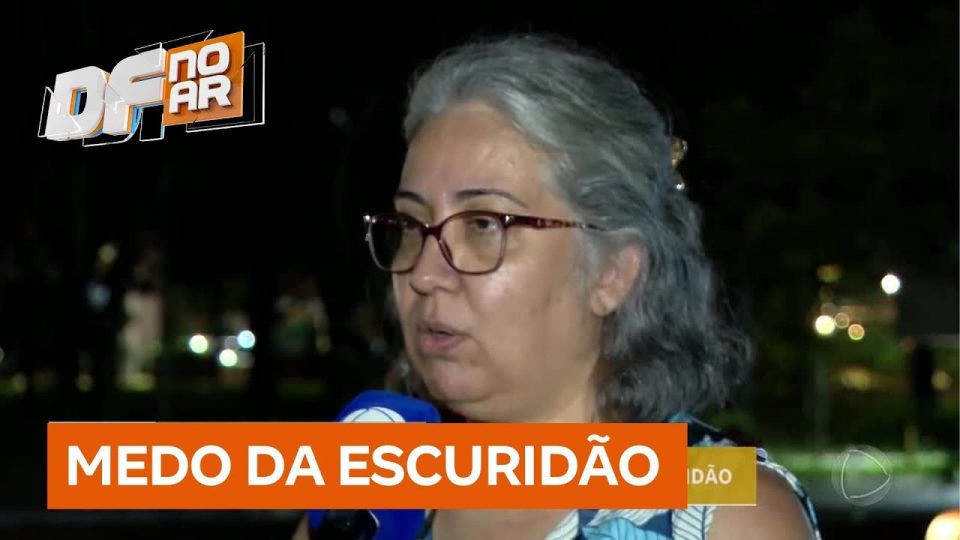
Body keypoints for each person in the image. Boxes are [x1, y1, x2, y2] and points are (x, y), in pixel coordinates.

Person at [295, 33, 820, 539]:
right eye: (412, 225)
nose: (424, 274)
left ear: (612, 272)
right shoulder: (367, 499)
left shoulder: (725, 515)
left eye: (484, 225)